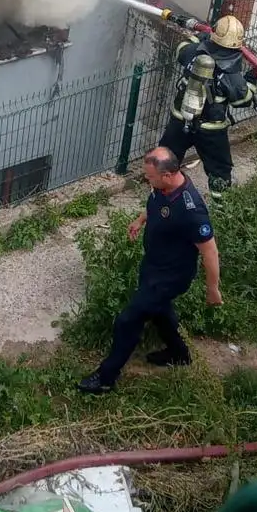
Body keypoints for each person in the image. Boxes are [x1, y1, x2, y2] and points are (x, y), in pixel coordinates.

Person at [77, 147, 222, 395]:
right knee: (160, 312)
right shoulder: (162, 187)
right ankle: (179, 354)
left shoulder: (192, 211)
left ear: (168, 174)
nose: (147, 180)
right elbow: (155, 205)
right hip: (153, 265)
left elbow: (210, 252)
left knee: (128, 321)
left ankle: (105, 378)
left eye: (151, 177)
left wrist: (212, 289)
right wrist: (140, 220)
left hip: (170, 276)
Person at [158, 15, 256, 200]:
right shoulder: (233, 76)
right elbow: (243, 101)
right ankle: (221, 209)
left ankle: (162, 199)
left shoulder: (194, 53)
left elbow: (181, 48)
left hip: (180, 119)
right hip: (210, 129)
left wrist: (201, 36)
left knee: (167, 160)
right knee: (219, 169)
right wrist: (251, 80)